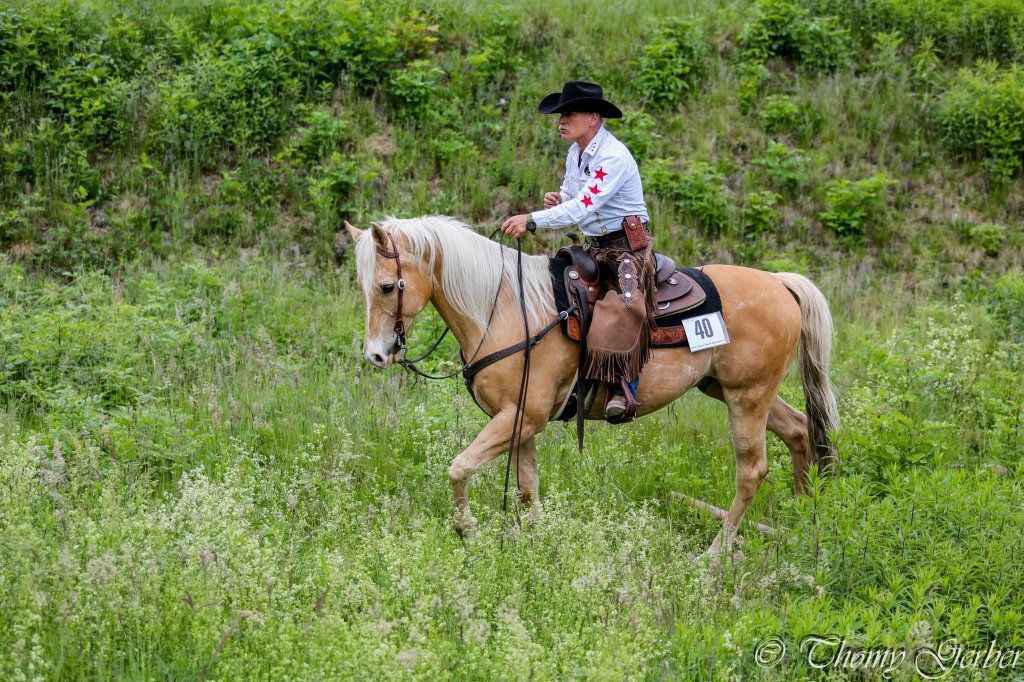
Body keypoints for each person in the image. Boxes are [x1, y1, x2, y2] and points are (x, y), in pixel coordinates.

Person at [501, 81, 654, 420]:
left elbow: (585, 206)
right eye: (561, 114)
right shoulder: (577, 153)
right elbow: (576, 198)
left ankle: (623, 386)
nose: (561, 120)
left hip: (627, 249)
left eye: (569, 114)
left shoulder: (613, 156)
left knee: (623, 305)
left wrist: (533, 219)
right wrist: (560, 200)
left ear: (593, 118)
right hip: (595, 247)